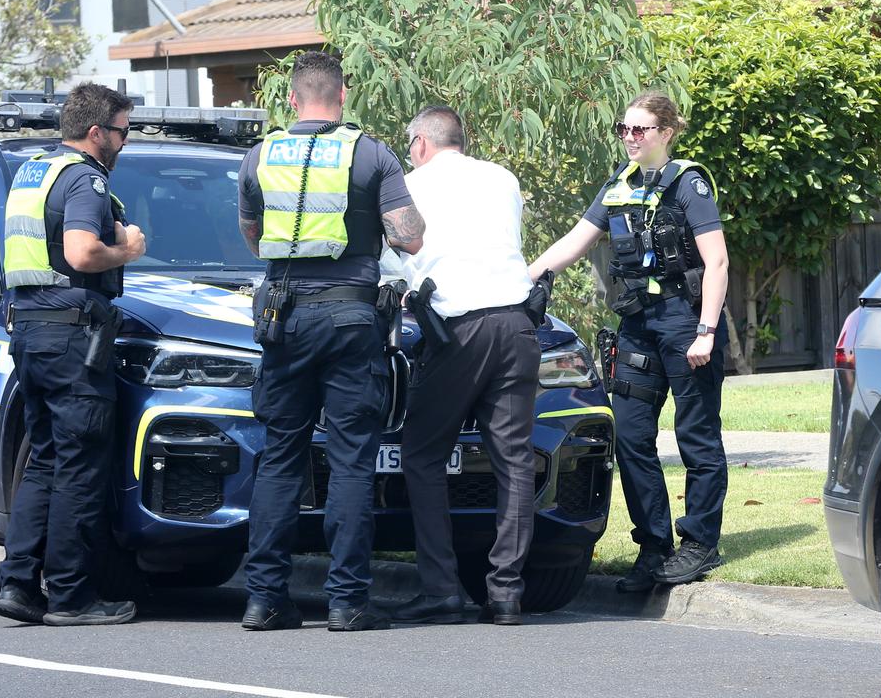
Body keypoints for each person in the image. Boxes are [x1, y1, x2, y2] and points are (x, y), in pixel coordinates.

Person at [237, 50, 425, 632]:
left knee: (279, 459)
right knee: (350, 461)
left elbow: (252, 237)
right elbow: (411, 237)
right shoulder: (369, 152)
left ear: (292, 99)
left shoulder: (260, 155)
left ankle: (264, 598)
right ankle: (347, 602)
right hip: (349, 319)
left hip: (282, 319)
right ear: (342, 96)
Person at [527, 90, 730, 592]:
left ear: (666, 132)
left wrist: (705, 331)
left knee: (696, 437)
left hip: (686, 322)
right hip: (638, 324)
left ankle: (700, 544)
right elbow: (576, 240)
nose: (630, 137)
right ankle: (654, 546)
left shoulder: (689, 184)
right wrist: (520, 279)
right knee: (633, 437)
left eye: (640, 129)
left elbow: (718, 262)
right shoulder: (618, 185)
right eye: (624, 129)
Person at [0, 82, 147, 626]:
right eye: (123, 132)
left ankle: (18, 584)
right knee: (81, 466)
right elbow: (81, 253)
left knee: (45, 460)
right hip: (73, 340)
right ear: (95, 132)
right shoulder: (85, 179)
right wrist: (127, 248)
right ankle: (72, 597)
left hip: (31, 334)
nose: (125, 142)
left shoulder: (33, 174)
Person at [385, 106, 539, 627]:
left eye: (410, 144)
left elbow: (397, 257)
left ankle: (441, 589)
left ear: (422, 143)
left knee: (422, 454)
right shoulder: (502, 178)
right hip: (517, 324)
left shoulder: (410, 186)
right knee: (514, 461)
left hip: (458, 329)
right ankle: (505, 593)